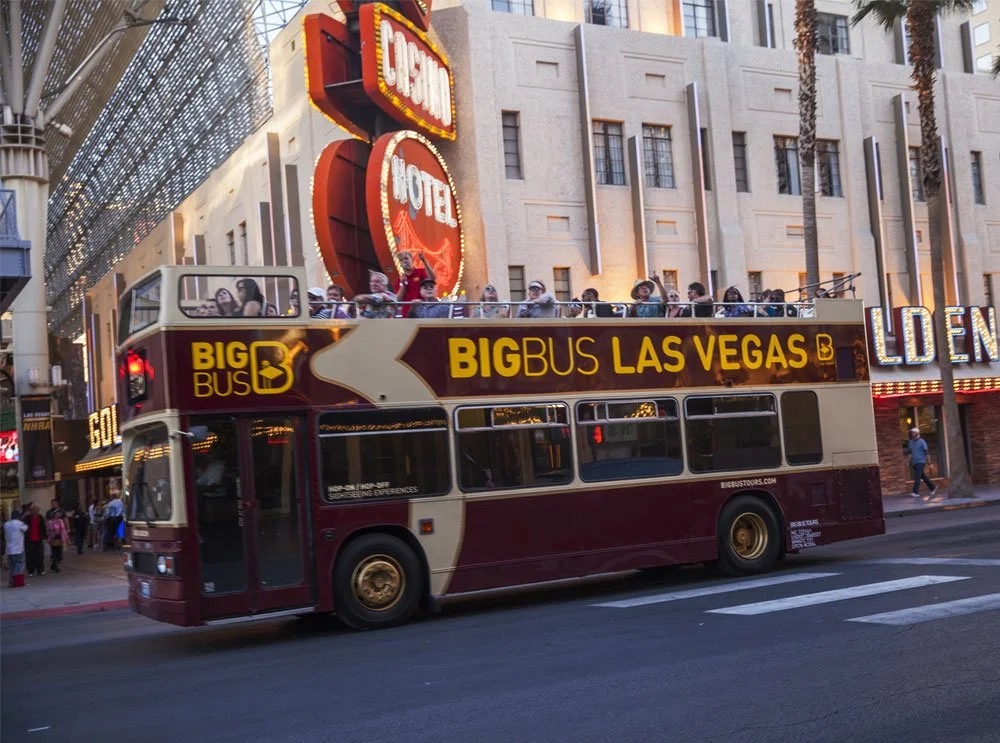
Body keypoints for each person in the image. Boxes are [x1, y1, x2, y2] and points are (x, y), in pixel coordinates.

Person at [907, 427, 937, 498]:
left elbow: (927, 453)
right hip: (914, 462)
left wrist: (930, 463)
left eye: (913, 432)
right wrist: (908, 462)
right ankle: (933, 487)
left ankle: (915, 492)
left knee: (917, 477)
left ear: (917, 433)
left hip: (921, 461)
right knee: (922, 476)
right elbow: (910, 453)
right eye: (911, 432)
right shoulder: (910, 442)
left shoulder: (922, 442)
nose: (912, 434)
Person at [4, 509, 28, 587]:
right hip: (18, 549)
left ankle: (11, 582)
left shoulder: (6, 524)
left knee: (11, 566)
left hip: (9, 549)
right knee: (19, 565)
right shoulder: (20, 523)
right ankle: (17, 582)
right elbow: (26, 529)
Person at [22, 503, 46, 577]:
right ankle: (31, 571)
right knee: (29, 556)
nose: (36, 510)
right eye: (34, 509)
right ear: (31, 510)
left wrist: (45, 536)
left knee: (40, 556)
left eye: (37, 509)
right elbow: (24, 528)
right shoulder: (27, 518)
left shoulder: (40, 517)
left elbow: (43, 527)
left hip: (39, 539)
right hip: (29, 540)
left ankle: (40, 570)